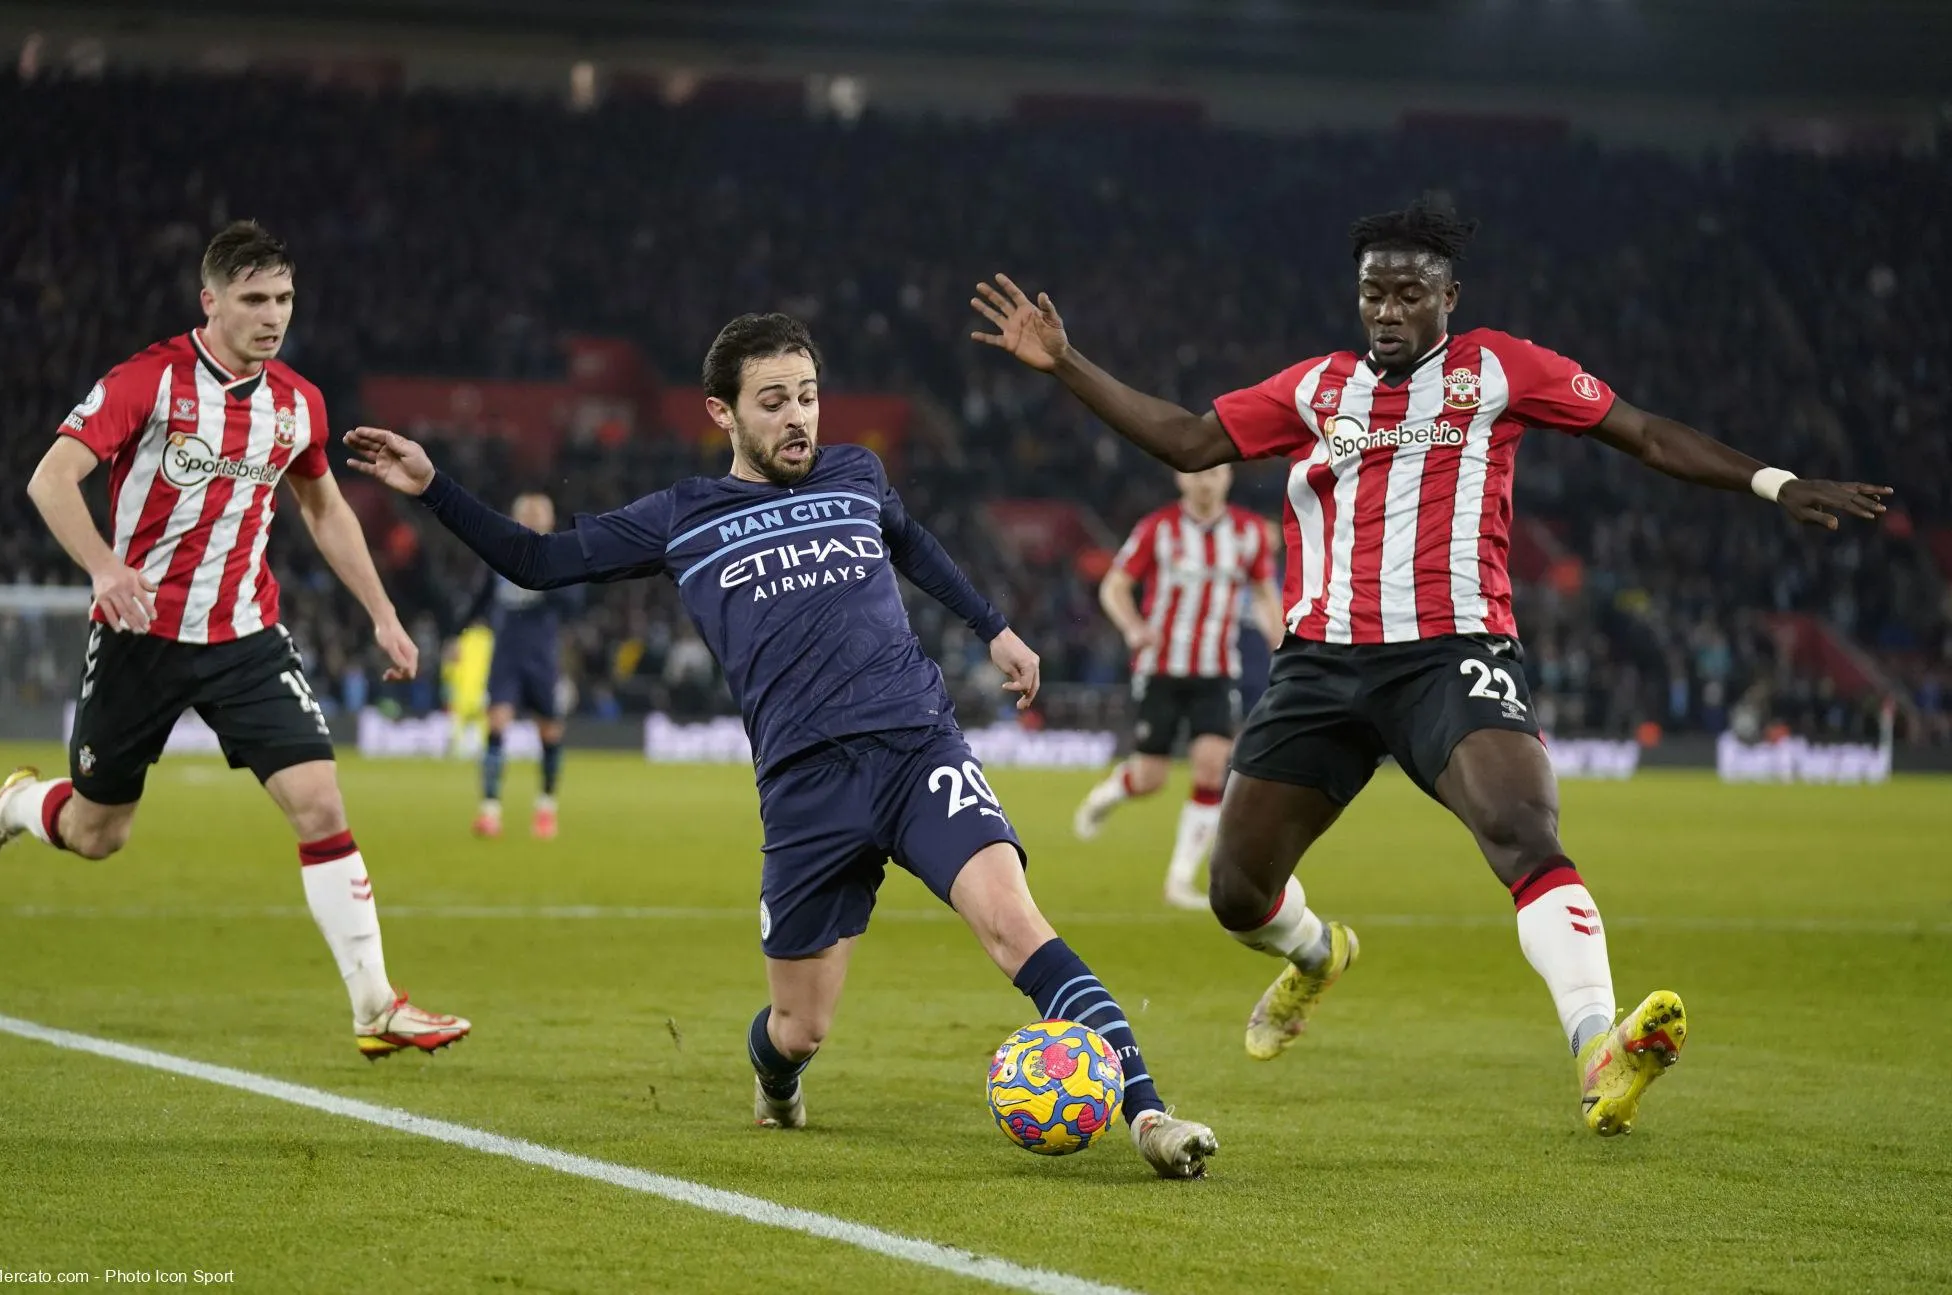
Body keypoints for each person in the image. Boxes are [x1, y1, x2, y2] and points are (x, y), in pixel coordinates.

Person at [970, 200, 1891, 1135]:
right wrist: (1067, 364)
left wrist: (1775, 482)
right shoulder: (1314, 389)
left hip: (1453, 653)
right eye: (1374, 292)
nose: (1388, 311)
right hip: (1320, 667)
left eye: (1410, 293)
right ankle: (1318, 954)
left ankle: (1597, 1049)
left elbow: (1646, 433)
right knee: (1236, 892)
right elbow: (1184, 437)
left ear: (1450, 297)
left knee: (1523, 831)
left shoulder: (1500, 368)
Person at [346, 312, 1217, 1176]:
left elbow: (912, 542)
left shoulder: (857, 473)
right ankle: (775, 1078)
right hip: (805, 785)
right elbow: (537, 561)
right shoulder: (681, 516)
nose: (799, 416)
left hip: (918, 747)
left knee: (1017, 928)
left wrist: (993, 626)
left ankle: (1147, 1113)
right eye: (773, 401)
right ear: (721, 413)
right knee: (801, 1027)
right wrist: (433, 488)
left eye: (807, 396)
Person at [0, 220, 469, 1061]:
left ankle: (375, 1004)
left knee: (320, 803)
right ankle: (16, 804)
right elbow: (50, 477)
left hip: (244, 634)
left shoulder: (298, 401)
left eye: (286, 299)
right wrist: (103, 567)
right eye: (256, 299)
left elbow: (324, 508)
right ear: (212, 301)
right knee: (98, 834)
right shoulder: (150, 381)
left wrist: (381, 611)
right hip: (138, 635)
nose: (274, 316)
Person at [1073, 466, 1284, 909]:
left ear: (1227, 478)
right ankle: (1109, 793)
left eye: (1215, 473)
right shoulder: (1158, 529)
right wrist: (1133, 627)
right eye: (1198, 474)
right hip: (1161, 668)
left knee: (1211, 766)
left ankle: (1180, 881)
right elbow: (1115, 586)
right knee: (1151, 778)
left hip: (1216, 669)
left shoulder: (1248, 534)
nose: (1206, 481)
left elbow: (1265, 594)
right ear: (1180, 479)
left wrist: (1281, 641)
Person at [460, 492, 584, 839]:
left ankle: (546, 808)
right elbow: (479, 600)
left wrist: (546, 580)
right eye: (525, 513)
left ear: (549, 519)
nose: (531, 518)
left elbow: (574, 603)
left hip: (542, 655)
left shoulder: (559, 559)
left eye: (537, 513)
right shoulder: (500, 557)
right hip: (506, 654)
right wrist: (458, 635)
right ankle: (489, 811)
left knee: (550, 731)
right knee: (496, 723)